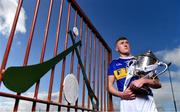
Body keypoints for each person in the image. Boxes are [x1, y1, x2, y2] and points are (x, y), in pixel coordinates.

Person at [107, 36, 161, 112]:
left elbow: (158, 83)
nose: (125, 44)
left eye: (127, 43)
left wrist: (144, 81)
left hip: (146, 100)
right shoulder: (114, 64)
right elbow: (109, 86)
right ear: (117, 49)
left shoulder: (141, 60)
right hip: (127, 101)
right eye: (122, 43)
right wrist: (121, 94)